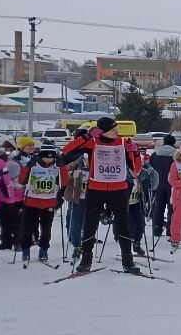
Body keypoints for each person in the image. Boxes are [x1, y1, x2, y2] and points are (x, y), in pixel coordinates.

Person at [59, 117, 145, 275]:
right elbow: (66, 151)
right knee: (91, 224)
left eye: (116, 128)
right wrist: (86, 136)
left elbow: (136, 170)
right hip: (96, 188)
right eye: (113, 129)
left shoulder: (123, 142)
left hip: (118, 189)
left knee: (123, 224)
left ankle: (128, 260)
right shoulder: (93, 142)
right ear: (104, 131)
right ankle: (86, 259)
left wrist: (136, 153)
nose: (116, 131)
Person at [16, 144, 66, 264]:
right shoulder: (33, 165)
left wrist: (62, 166)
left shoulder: (56, 166)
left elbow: (64, 182)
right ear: (41, 156)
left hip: (49, 202)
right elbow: (21, 180)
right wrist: (27, 167)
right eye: (46, 157)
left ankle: (43, 250)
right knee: (27, 228)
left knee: (46, 229)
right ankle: (26, 249)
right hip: (32, 201)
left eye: (51, 158)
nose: (49, 160)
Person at [127, 150, 159, 256]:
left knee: (141, 223)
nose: (137, 171)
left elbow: (154, 179)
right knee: (128, 224)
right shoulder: (124, 173)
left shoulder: (143, 173)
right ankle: (127, 245)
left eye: (140, 167)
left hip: (137, 202)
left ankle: (136, 243)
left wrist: (148, 166)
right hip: (124, 203)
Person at [147, 133, 177, 239]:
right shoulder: (176, 155)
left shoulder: (155, 154)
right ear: (174, 143)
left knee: (158, 207)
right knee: (172, 208)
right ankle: (170, 230)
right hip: (172, 185)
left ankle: (156, 229)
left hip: (158, 184)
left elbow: (150, 169)